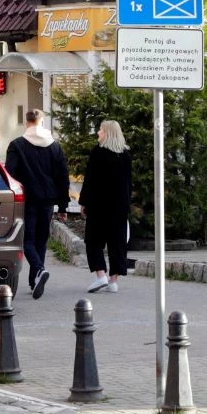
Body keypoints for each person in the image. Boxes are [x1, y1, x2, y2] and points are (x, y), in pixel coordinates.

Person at [4, 108, 70, 298]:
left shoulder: (17, 145)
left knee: (27, 240)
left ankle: (39, 271)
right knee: (41, 240)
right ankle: (35, 280)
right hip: (48, 200)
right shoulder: (54, 147)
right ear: (42, 122)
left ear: (27, 123)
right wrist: (63, 206)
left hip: (27, 200)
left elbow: (10, 173)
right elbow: (63, 178)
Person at [77, 120, 133, 293]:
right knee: (117, 244)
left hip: (99, 206)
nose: (98, 133)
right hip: (119, 208)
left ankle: (101, 275)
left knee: (93, 241)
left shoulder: (98, 152)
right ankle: (113, 281)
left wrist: (84, 202)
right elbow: (128, 184)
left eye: (100, 130)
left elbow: (90, 181)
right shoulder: (125, 155)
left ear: (107, 133)